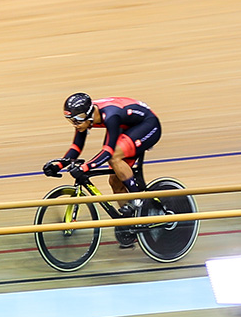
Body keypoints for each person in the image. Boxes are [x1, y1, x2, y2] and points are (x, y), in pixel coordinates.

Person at [46, 92, 162, 243]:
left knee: (114, 157)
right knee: (115, 182)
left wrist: (85, 168)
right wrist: (58, 165)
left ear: (88, 113)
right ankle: (131, 223)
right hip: (128, 128)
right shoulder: (83, 118)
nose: (76, 124)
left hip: (148, 125)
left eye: (78, 119)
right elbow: (76, 146)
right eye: (71, 120)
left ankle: (138, 200)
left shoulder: (110, 115)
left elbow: (108, 151)